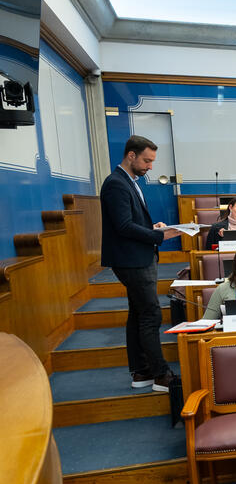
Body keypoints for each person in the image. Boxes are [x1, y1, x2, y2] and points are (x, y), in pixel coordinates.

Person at [100, 135, 181, 392]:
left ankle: (141, 372)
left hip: (137, 256)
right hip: (131, 259)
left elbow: (130, 221)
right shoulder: (116, 183)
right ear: (131, 155)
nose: (150, 167)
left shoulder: (130, 181)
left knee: (138, 314)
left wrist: (151, 227)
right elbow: (123, 226)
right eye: (147, 160)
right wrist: (160, 235)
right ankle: (160, 374)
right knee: (151, 314)